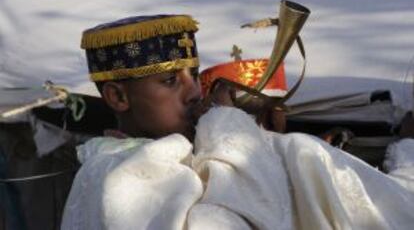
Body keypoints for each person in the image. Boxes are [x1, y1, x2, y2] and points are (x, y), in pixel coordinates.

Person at [62, 14, 414, 230]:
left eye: (193, 76)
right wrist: (228, 126)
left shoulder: (183, 156)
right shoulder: (117, 175)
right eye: (170, 81)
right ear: (118, 98)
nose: (194, 93)